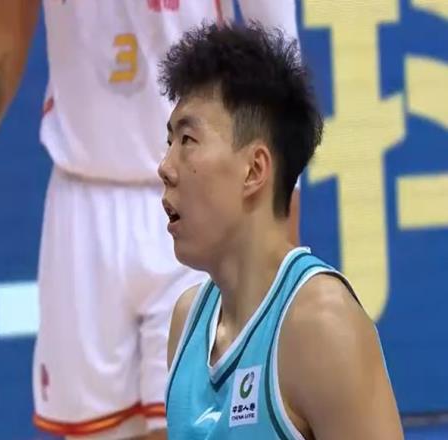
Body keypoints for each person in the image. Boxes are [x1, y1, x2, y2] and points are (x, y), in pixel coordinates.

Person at [0, 1, 300, 439]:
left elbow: (279, 56)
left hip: (198, 192)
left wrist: (276, 256)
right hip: (83, 200)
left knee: (194, 428)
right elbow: (4, 28)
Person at [160, 22, 404, 439]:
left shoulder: (321, 324)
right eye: (169, 142)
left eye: (187, 140)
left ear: (254, 170)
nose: (165, 167)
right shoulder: (187, 322)